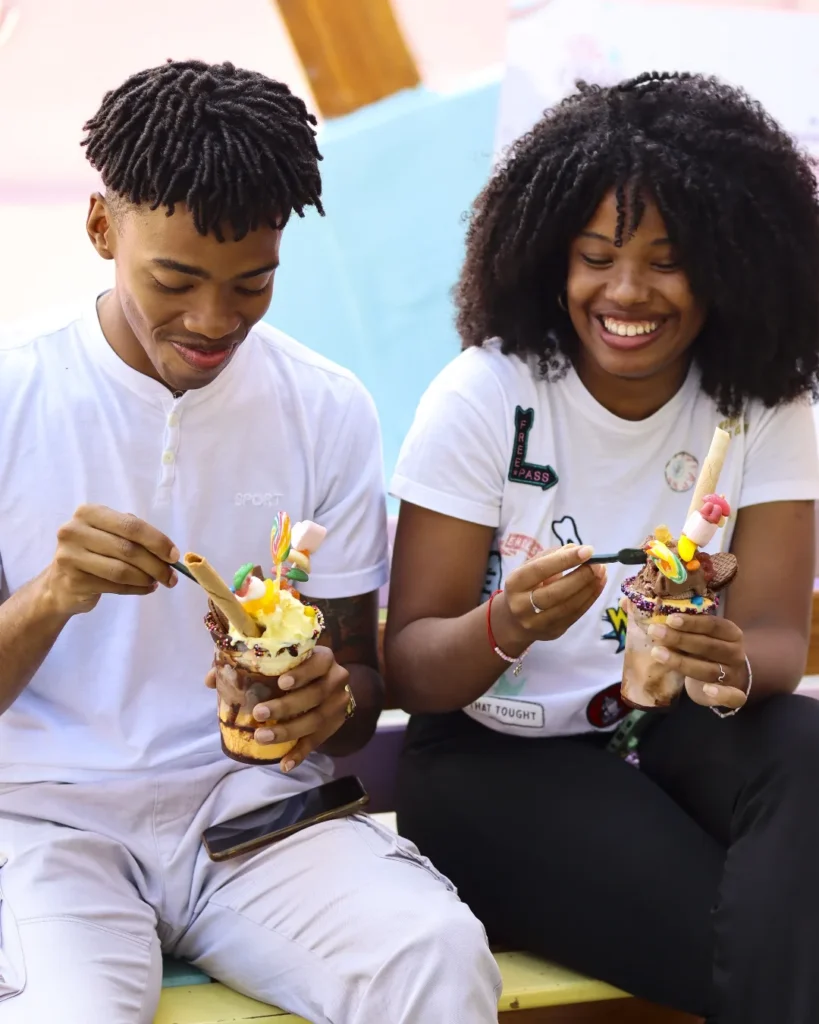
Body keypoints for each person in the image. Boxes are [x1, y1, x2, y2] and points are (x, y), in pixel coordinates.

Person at [0, 60, 501, 1024]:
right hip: (43, 822)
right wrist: (52, 594)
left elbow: (355, 694)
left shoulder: (326, 407)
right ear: (101, 227)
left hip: (255, 817)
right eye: (174, 280)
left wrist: (322, 701)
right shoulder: (15, 392)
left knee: (433, 962)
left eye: (253, 283)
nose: (212, 321)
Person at [385, 72, 819, 1024]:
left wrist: (722, 658)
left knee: (807, 747)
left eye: (669, 261)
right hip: (491, 758)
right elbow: (411, 665)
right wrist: (505, 624)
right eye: (594, 257)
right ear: (550, 260)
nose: (625, 292)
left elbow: (778, 643)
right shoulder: (485, 396)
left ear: (734, 264)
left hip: (668, 731)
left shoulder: (767, 403)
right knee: (754, 936)